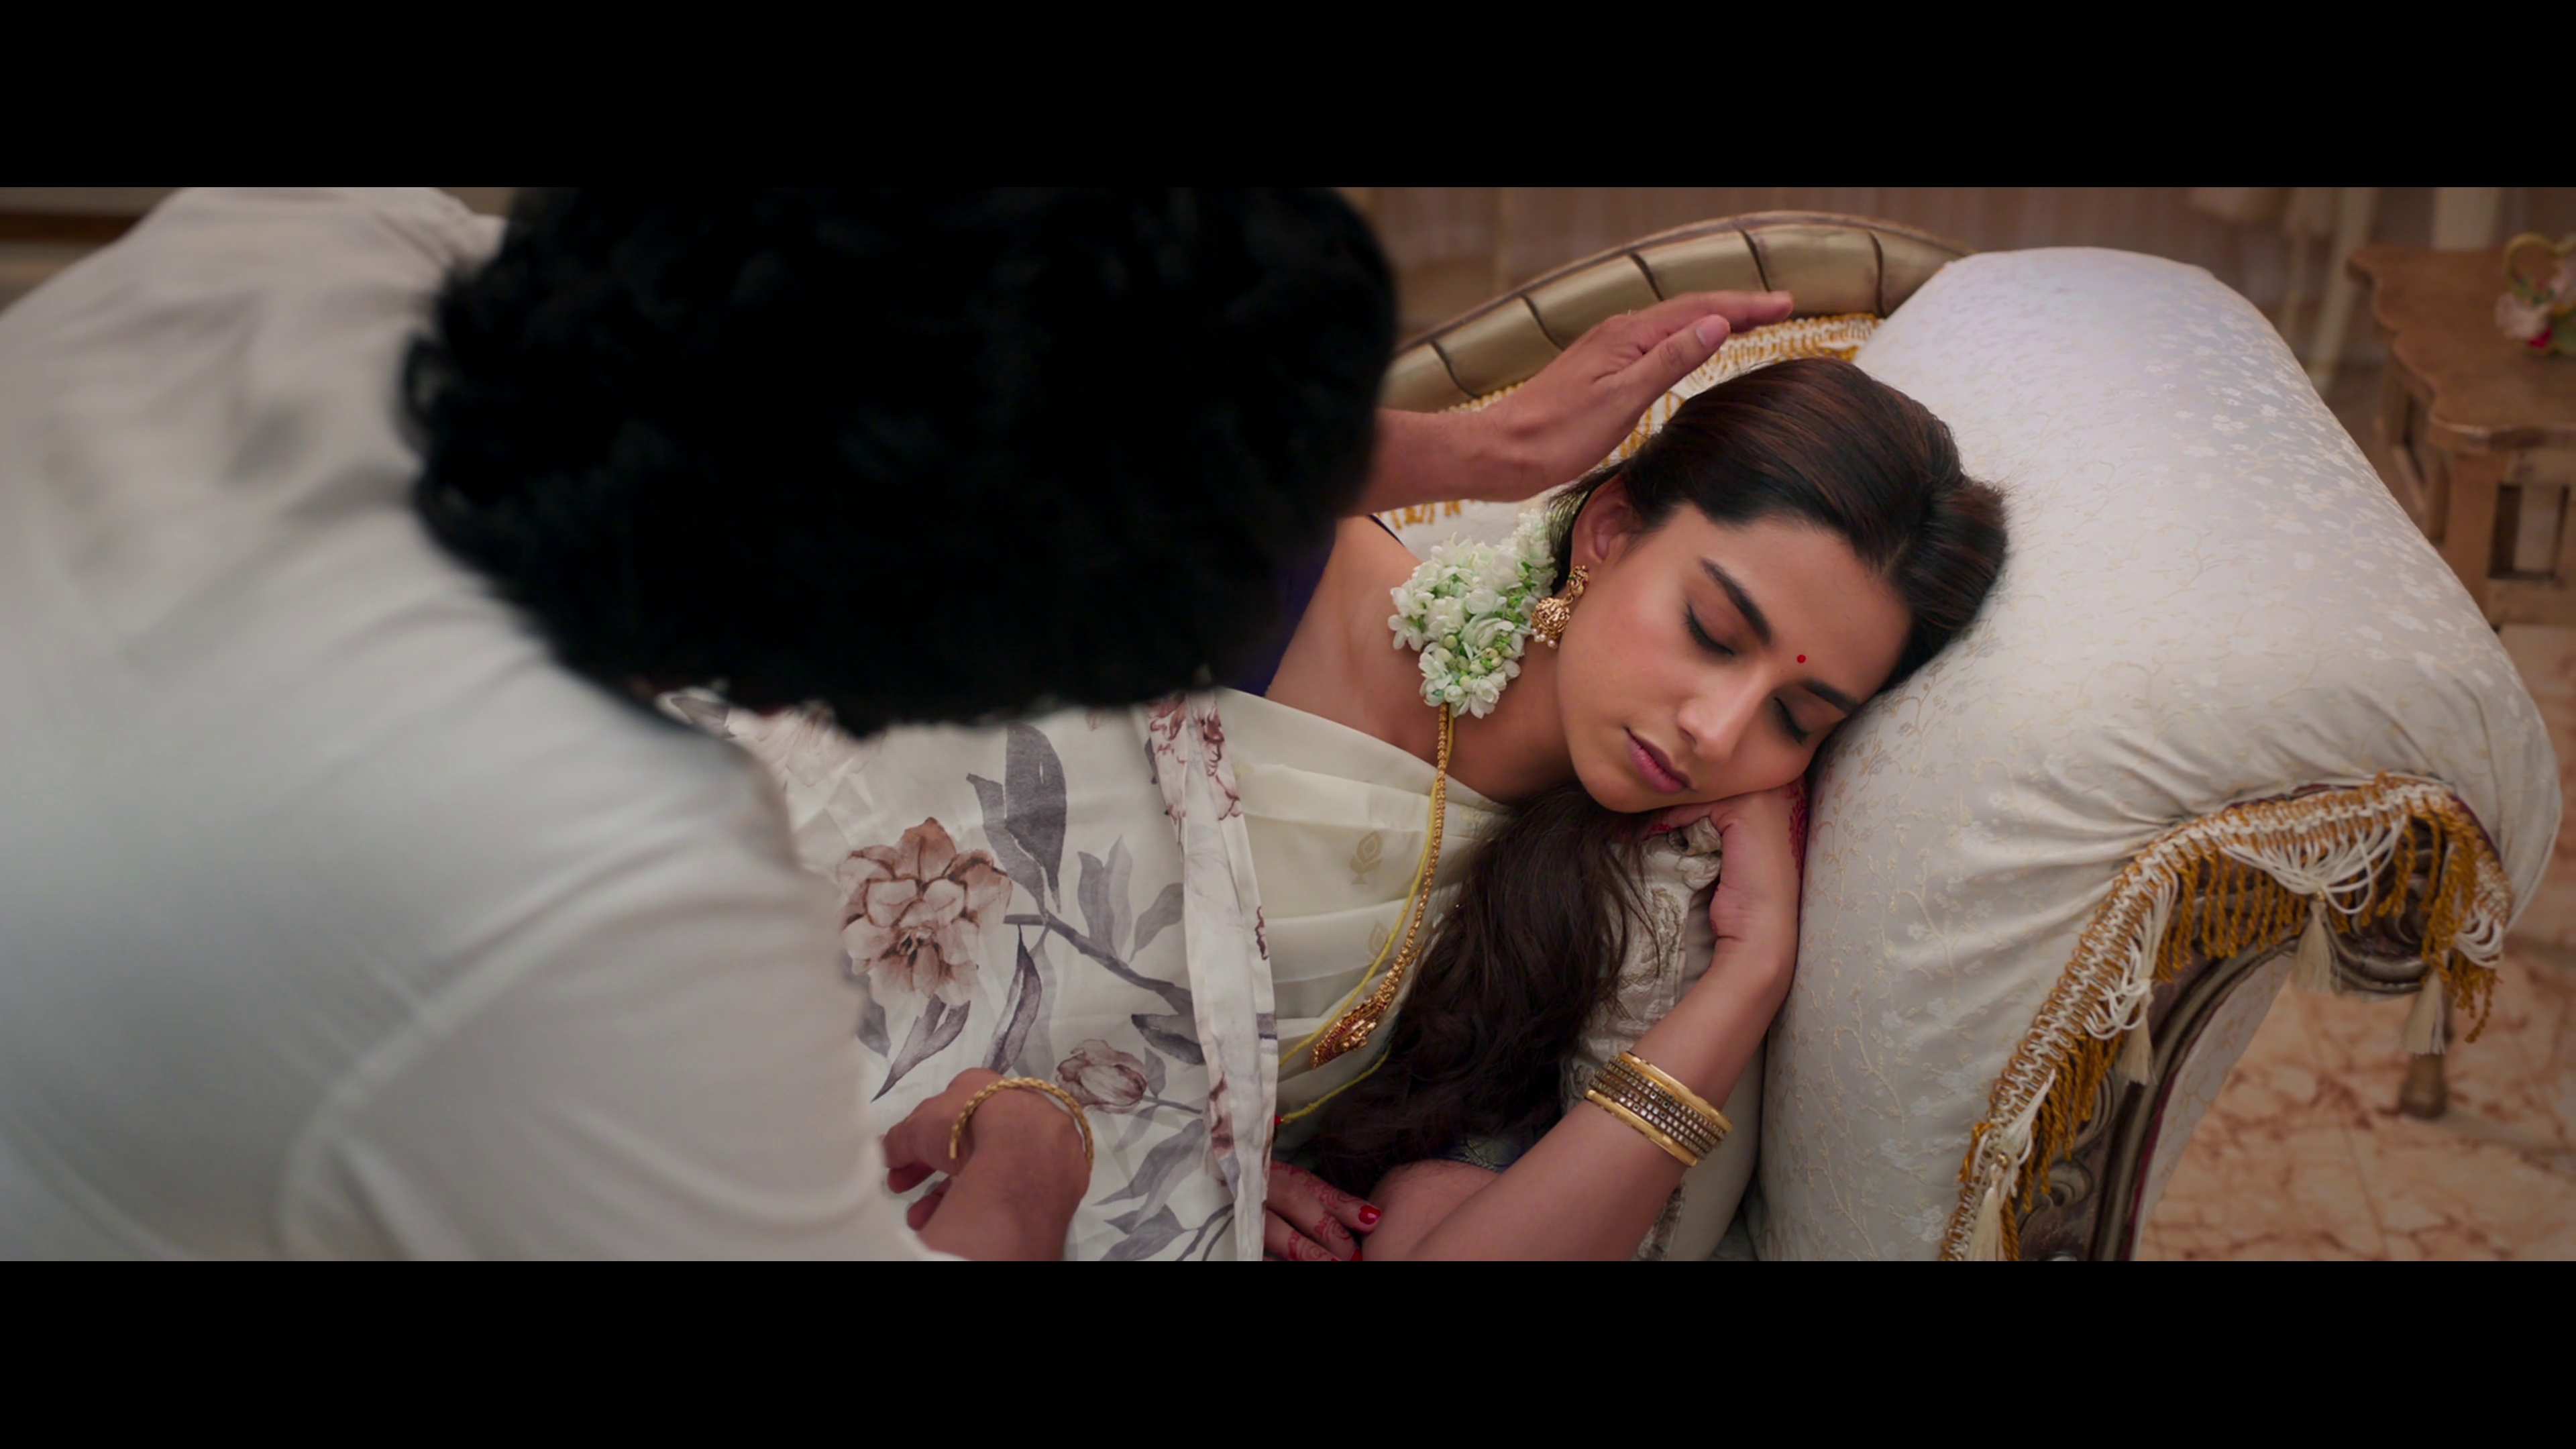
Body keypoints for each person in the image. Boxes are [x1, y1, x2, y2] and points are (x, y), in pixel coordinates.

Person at [0, 187, 1769, 1258]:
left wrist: (1454, 450)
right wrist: (1029, 1164)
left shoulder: (292, 241)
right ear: (909, 677)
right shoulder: (613, 895)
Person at [1248, 357, 2009, 1260]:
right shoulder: (1285, 574)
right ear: (1608, 533)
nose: (1716, 733)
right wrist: (1486, 448)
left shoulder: (1601, 910)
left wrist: (1752, 973)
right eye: (1711, 633)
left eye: (1794, 718)